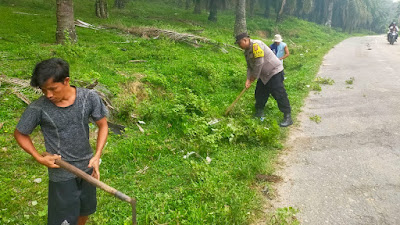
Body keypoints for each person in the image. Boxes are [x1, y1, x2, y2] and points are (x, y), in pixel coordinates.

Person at [13, 58, 109, 225]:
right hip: (61, 171)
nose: (48, 95)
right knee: (63, 220)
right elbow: (20, 133)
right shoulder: (38, 108)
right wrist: (38, 157)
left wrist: (97, 156)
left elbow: (103, 126)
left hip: (87, 167)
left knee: (84, 210)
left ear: (66, 81)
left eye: (52, 89)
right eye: (44, 90)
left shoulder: (89, 98)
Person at [235, 33, 293, 127]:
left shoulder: (257, 45)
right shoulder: (247, 51)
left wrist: (253, 78)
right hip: (263, 75)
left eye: (239, 43)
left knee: (279, 94)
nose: (239, 46)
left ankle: (287, 116)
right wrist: (248, 79)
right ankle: (259, 112)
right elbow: (250, 67)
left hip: (274, 72)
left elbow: (259, 63)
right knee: (260, 93)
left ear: (245, 40)